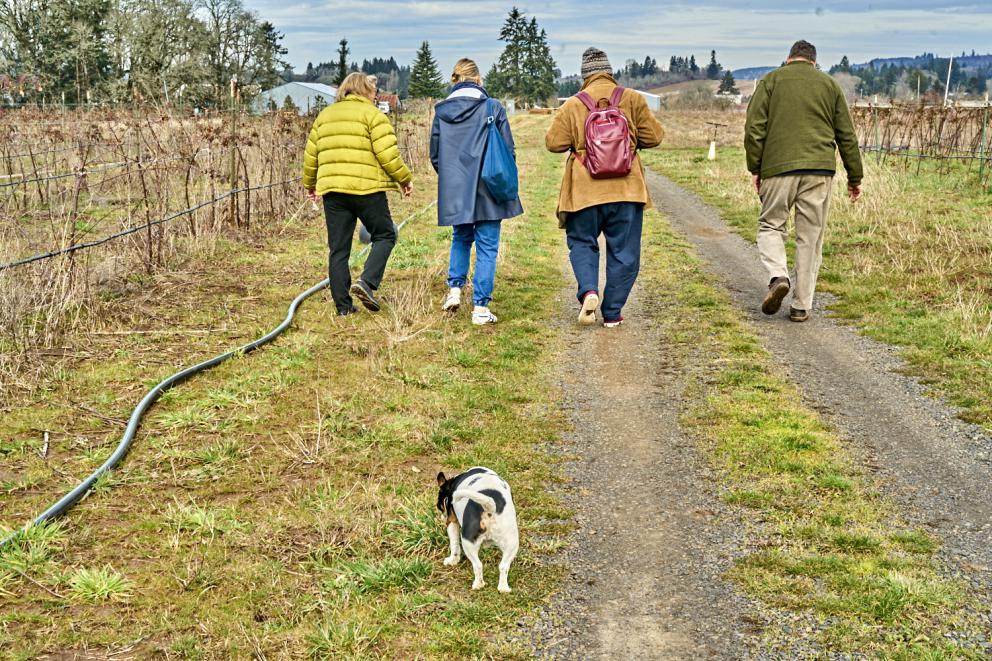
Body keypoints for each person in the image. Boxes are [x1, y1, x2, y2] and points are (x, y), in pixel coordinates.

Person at [744, 39, 863, 323]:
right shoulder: (829, 85)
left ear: (789, 58)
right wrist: (854, 177)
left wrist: (756, 167)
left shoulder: (770, 82)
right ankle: (801, 306)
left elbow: (754, 128)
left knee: (771, 225)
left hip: (777, 168)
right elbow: (846, 134)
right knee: (810, 237)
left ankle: (778, 276)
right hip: (819, 171)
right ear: (813, 61)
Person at [545, 47, 664, 328]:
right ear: (610, 72)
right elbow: (655, 137)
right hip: (627, 191)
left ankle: (589, 291)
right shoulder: (632, 99)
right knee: (624, 252)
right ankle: (612, 313)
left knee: (582, 243)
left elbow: (553, 143)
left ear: (584, 76)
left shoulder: (573, 104)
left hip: (584, 192)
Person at [302, 72, 413, 316]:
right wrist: (403, 179)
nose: (375, 96)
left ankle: (343, 307)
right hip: (367, 189)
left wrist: (310, 185)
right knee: (385, 234)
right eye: (373, 91)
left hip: (333, 191)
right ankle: (367, 282)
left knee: (338, 249)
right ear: (365, 91)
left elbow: (311, 155)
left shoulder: (325, 116)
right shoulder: (373, 115)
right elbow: (388, 155)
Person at [430, 58, 523, 325]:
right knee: (487, 247)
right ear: (479, 79)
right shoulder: (493, 107)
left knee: (460, 237)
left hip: (458, 185)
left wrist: (453, 178)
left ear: (455, 80)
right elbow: (508, 150)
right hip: (489, 185)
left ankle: (454, 292)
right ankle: (481, 309)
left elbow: (435, 155)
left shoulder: (442, 112)